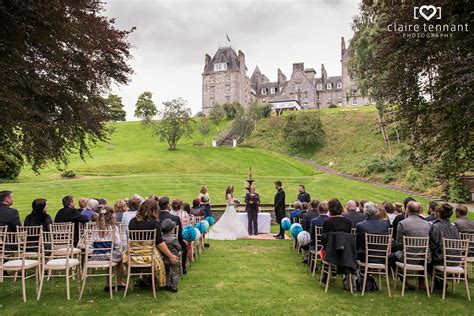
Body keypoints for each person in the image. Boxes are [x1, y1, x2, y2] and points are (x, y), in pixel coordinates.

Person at [128, 199, 179, 289]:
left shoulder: (132, 221)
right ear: (153, 210)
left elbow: (132, 238)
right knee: (163, 255)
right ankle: (159, 282)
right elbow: (159, 243)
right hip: (149, 255)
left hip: (133, 254)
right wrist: (171, 256)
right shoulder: (154, 223)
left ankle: (145, 280)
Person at [389, 201, 430, 288]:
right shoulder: (427, 224)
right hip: (423, 257)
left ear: (407, 209)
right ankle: (421, 282)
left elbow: (399, 243)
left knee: (390, 257)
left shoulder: (403, 223)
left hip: (407, 257)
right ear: (419, 210)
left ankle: (405, 280)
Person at [90, 206, 125, 291]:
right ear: (111, 216)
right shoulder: (113, 228)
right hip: (108, 256)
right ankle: (119, 283)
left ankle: (108, 284)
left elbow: (90, 243)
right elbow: (117, 243)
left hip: (96, 256)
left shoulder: (96, 228)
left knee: (111, 256)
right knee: (120, 258)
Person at [429, 203, 460, 289]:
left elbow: (432, 245)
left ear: (438, 213)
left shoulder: (435, 226)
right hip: (456, 260)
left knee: (425, 259)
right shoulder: (454, 227)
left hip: (441, 260)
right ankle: (439, 282)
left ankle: (439, 282)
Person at [158, 197, 187, 274]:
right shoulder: (175, 218)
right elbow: (180, 234)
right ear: (168, 205)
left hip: (158, 244)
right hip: (172, 245)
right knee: (184, 245)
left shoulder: (156, 218)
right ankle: (183, 267)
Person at [161, 218, 181, 293]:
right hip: (174, 258)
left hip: (165, 258)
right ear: (171, 229)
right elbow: (179, 247)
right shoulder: (173, 239)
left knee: (167, 272)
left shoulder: (161, 239)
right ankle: (174, 287)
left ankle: (168, 285)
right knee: (175, 272)